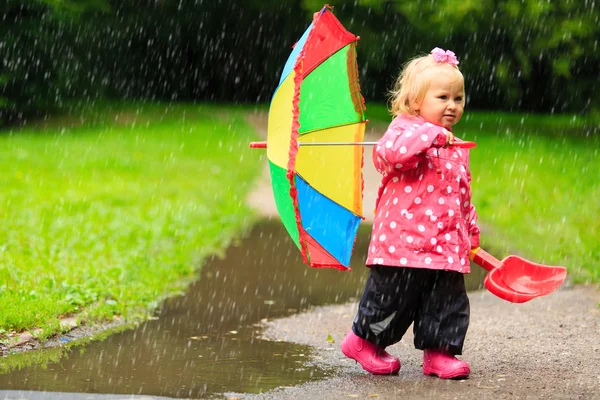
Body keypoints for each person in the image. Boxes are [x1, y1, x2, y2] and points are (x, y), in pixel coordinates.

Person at [340, 47, 480, 379]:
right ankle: (363, 342)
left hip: (445, 245)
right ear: (416, 102)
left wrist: (470, 231)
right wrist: (430, 136)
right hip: (402, 245)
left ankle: (439, 353)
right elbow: (389, 155)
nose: (452, 105)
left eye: (458, 98)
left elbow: (463, 194)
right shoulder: (403, 131)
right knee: (391, 299)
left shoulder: (455, 146)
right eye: (442, 96)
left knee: (446, 301)